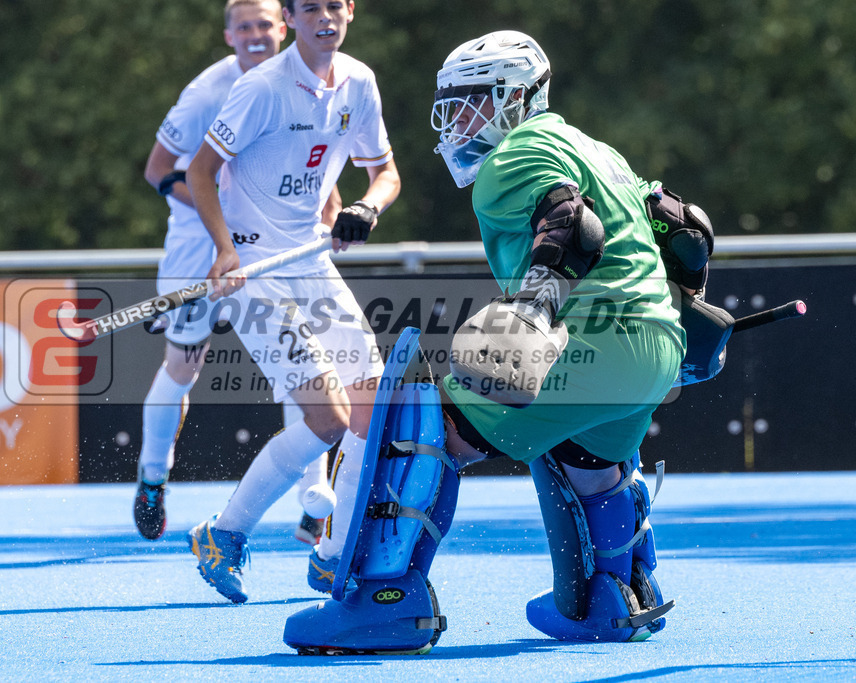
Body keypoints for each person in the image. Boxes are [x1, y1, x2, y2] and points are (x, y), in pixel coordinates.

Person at [286, 30, 709, 652]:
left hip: (590, 340)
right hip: (652, 349)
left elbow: (572, 223)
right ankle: (615, 596)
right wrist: (685, 314)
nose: (457, 121)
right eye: (452, 106)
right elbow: (685, 227)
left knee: (425, 422)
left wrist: (533, 311)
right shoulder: (597, 149)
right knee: (589, 464)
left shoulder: (514, 155)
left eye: (471, 102)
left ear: (516, 96)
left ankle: (385, 605)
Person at [185, 0, 401, 604]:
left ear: (350, 10)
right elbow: (201, 172)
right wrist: (224, 250)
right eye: (310, 8)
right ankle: (224, 533)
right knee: (328, 418)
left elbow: (385, 172)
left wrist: (366, 207)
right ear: (291, 17)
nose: (324, 17)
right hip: (256, 272)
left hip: (311, 263)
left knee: (370, 405)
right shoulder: (262, 89)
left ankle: (334, 556)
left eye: (334, 5)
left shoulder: (360, 82)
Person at [133, 0, 335, 545]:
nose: (256, 35)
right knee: (183, 367)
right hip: (199, 251)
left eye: (264, 24)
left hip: (271, 248)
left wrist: (330, 205)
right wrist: (221, 210)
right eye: (243, 26)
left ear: (282, 27)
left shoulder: (309, 79)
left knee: (303, 366)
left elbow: (317, 157)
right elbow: (157, 170)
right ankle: (153, 477)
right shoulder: (206, 93)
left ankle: (314, 504)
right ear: (229, 35)